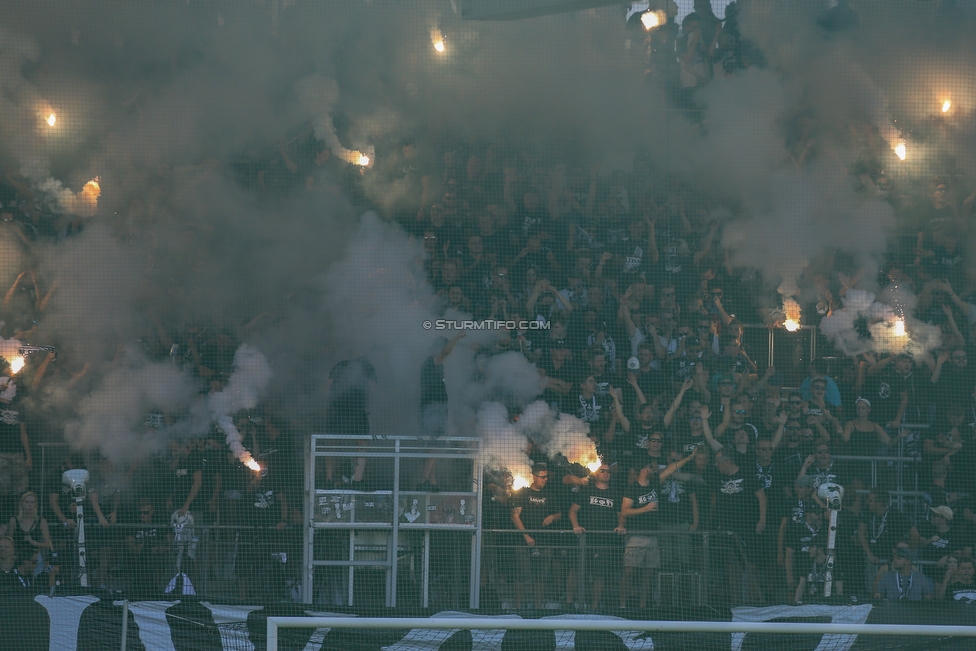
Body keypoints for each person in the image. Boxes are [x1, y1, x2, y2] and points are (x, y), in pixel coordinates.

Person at [568, 463, 624, 610]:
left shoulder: (615, 493)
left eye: (608, 472)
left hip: (604, 541)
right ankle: (568, 604)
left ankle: (594, 607)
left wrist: (621, 525)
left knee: (600, 574)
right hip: (585, 539)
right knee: (576, 570)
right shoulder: (586, 490)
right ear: (596, 473)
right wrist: (575, 526)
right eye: (602, 471)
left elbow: (621, 514)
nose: (606, 474)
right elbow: (573, 511)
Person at [510, 462, 561, 610]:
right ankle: (518, 609)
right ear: (534, 476)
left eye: (546, 477)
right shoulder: (523, 492)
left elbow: (559, 514)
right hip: (523, 542)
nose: (545, 479)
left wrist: (552, 516)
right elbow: (514, 516)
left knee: (541, 577)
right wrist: (526, 537)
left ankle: (538, 609)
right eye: (542, 477)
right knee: (521, 576)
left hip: (544, 541)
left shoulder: (549, 494)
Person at [418, 333, 465, 491]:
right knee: (434, 444)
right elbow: (446, 351)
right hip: (432, 410)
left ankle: (432, 481)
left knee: (434, 445)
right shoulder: (433, 361)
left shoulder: (433, 364)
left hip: (435, 410)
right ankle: (423, 480)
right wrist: (456, 338)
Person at [324, 357, 377, 487]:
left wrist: (329, 405)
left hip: (336, 409)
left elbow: (327, 386)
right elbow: (372, 388)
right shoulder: (368, 366)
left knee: (332, 443)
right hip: (357, 409)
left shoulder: (339, 365)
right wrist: (366, 405)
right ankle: (358, 480)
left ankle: (329, 479)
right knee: (362, 443)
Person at [857, 489, 913, 595]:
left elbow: (914, 534)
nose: (867, 502)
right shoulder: (866, 512)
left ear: (879, 503)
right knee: (873, 591)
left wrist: (906, 552)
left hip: (891, 562)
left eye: (870, 500)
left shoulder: (895, 515)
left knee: (890, 591)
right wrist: (869, 554)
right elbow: (861, 533)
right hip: (873, 560)